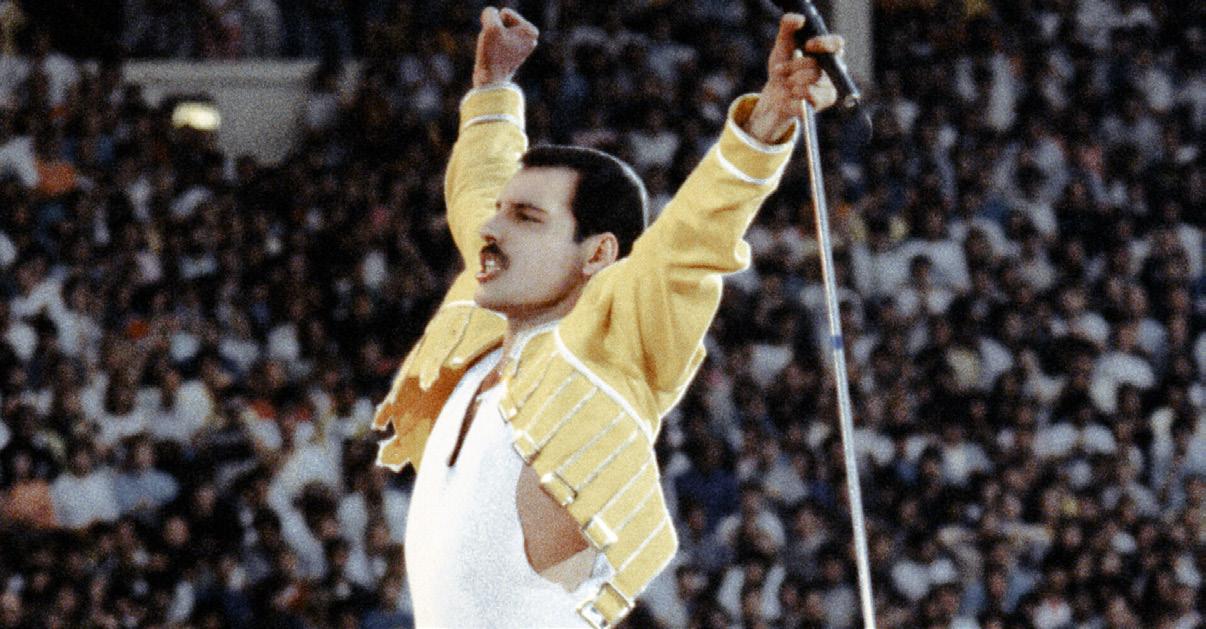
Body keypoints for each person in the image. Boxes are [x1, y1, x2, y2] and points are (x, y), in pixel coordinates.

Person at [370, 6, 842, 627]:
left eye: (526, 218)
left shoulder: (607, 347)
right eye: (502, 211)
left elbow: (687, 245)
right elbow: (477, 188)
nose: (491, 228)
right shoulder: (483, 321)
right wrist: (493, 88)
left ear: (597, 254)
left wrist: (767, 121)